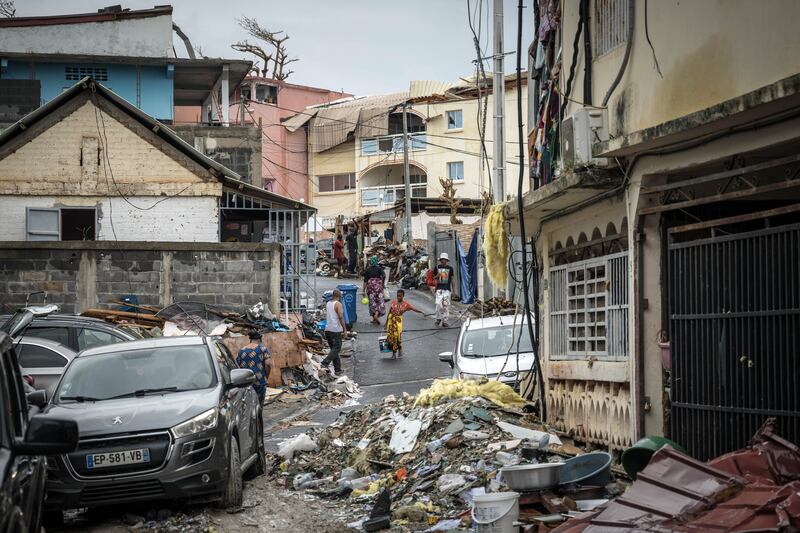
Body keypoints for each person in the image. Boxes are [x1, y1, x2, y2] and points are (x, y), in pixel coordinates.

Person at [385, 289, 424, 359]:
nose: (398, 297)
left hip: (398, 322)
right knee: (391, 338)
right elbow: (389, 312)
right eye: (397, 296)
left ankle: (399, 348)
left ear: (403, 296)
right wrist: (386, 323)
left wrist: (421, 312)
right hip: (391, 322)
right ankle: (394, 354)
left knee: (397, 338)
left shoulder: (406, 304)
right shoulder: (393, 302)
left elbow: (413, 309)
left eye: (400, 296)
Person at [235, 330, 271, 403]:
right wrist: (266, 376)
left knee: (248, 403)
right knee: (259, 402)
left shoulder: (241, 351)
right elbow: (268, 364)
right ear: (259, 339)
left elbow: (237, 365)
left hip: (246, 382)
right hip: (260, 380)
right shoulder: (263, 349)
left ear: (250, 339)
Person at [322, 289, 345, 376]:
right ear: (339, 296)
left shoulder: (328, 303)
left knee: (334, 350)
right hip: (335, 330)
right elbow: (340, 317)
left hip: (328, 329)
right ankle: (325, 362)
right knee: (337, 348)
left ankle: (337, 369)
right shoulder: (338, 304)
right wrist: (344, 329)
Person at [432, 252, 454, 327]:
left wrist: (453, 291)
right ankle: (438, 318)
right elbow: (433, 278)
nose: (443, 261)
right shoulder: (437, 268)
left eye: (445, 259)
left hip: (447, 289)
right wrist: (437, 276)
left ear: (447, 260)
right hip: (439, 289)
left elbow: (452, 280)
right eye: (442, 259)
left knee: (445, 305)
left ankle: (445, 321)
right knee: (438, 304)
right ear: (440, 260)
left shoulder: (450, 269)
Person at [363, 255, 386, 324]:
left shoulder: (368, 269)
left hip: (370, 288)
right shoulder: (379, 268)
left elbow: (365, 281)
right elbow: (384, 275)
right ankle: (376, 315)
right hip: (378, 287)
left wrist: (363, 291)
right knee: (379, 302)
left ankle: (374, 318)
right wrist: (382, 283)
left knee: (372, 303)